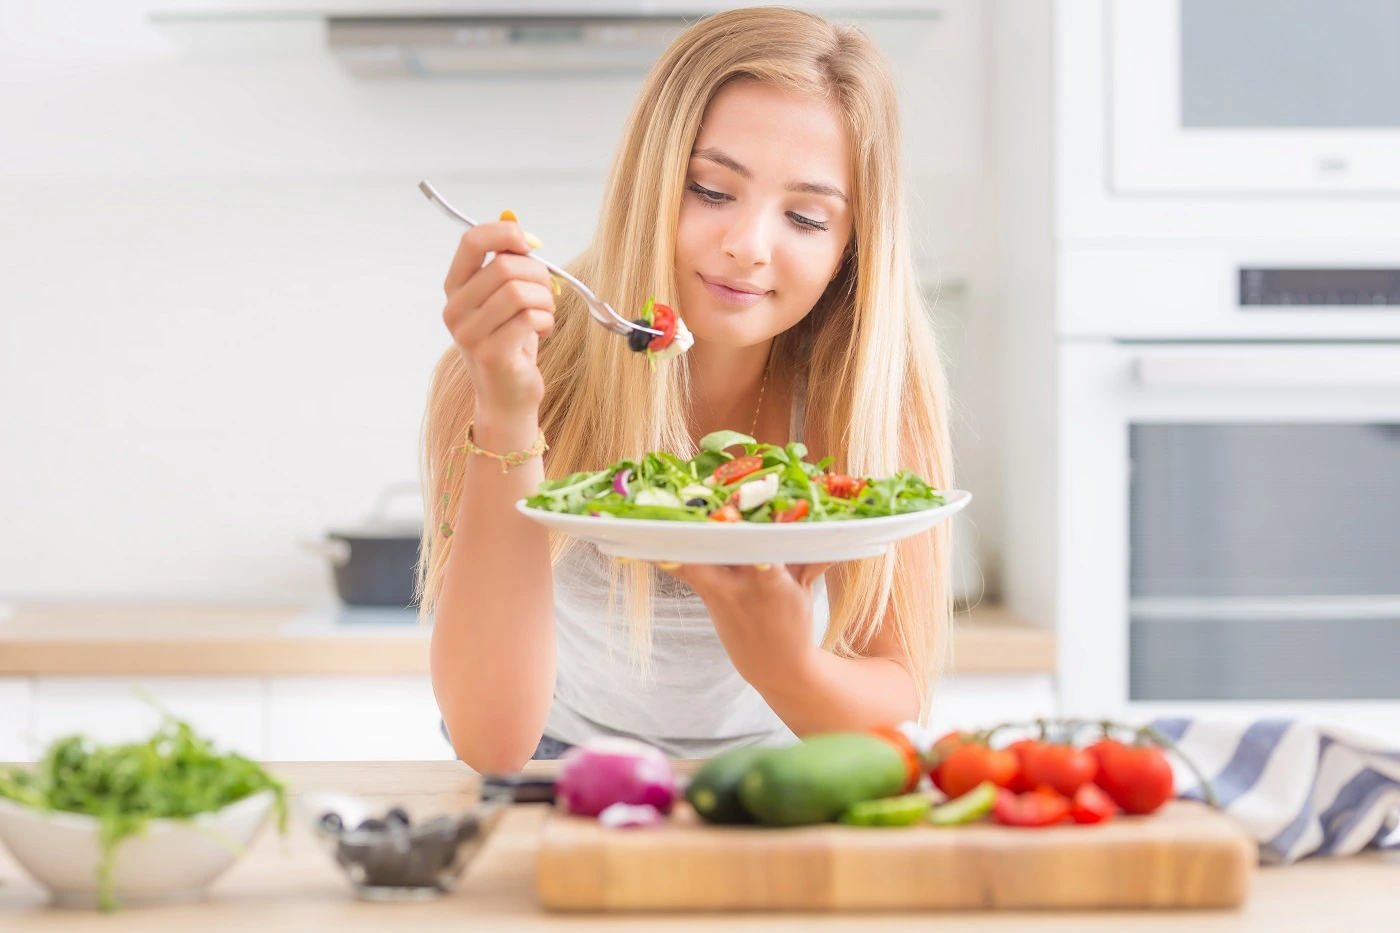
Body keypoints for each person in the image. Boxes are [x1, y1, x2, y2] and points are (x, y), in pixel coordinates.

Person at [418, 7, 954, 771]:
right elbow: (488, 742)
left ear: (852, 246)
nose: (747, 245)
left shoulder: (869, 394)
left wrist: (784, 668)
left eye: (805, 215)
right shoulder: (508, 367)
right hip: (555, 767)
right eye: (710, 191)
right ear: (653, 181)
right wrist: (505, 408)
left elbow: (897, 695)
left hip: (778, 769)